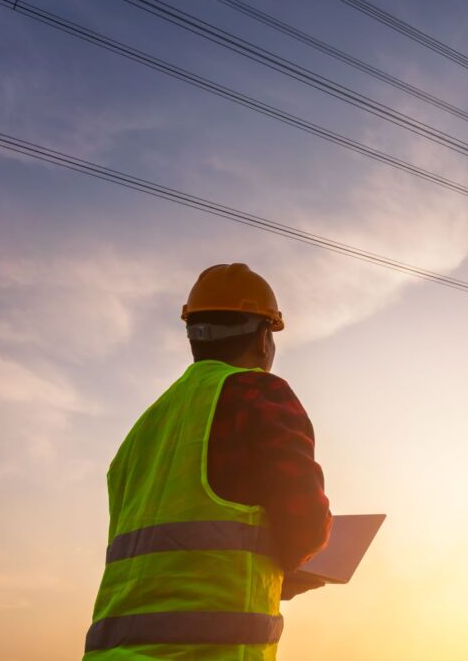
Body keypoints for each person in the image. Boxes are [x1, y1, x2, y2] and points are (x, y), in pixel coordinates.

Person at [83, 263, 332, 660]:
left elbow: (171, 557)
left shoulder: (144, 429)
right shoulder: (258, 393)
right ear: (264, 337)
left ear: (194, 337)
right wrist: (293, 565)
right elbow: (304, 521)